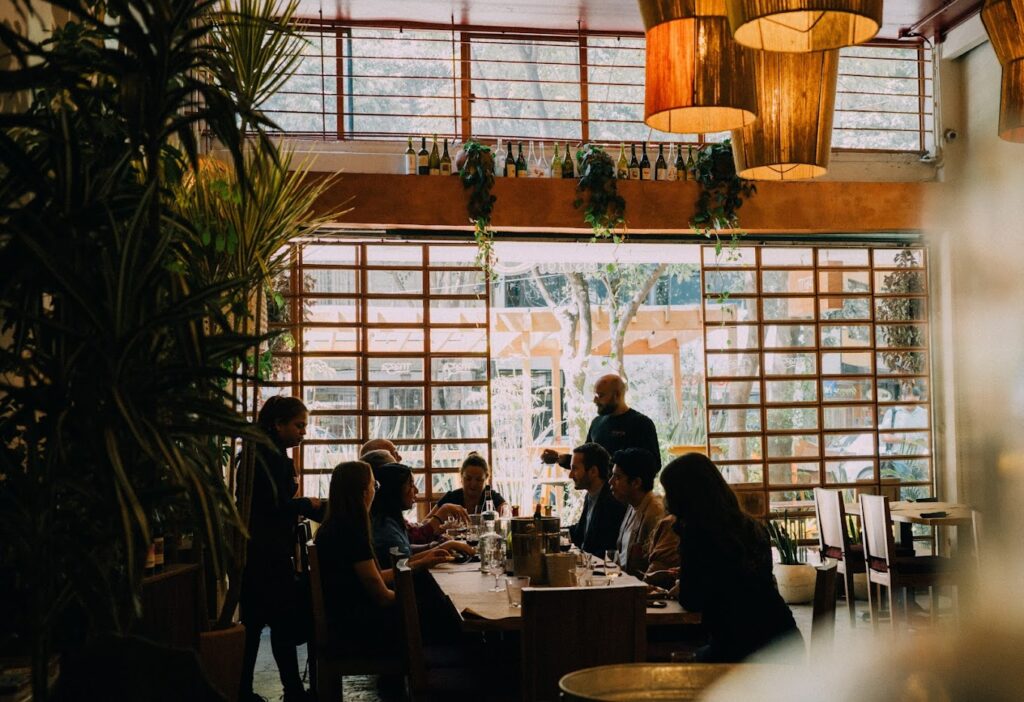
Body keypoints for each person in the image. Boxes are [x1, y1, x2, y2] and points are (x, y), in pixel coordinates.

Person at [660, 453, 801, 663]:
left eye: (668, 491)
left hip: (741, 651)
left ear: (683, 495)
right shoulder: (751, 526)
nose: (665, 498)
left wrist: (682, 586)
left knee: (669, 662)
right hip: (786, 640)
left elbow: (692, 600)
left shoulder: (697, 534)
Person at [239, 397, 325, 702]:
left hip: (254, 550)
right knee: (281, 623)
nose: (304, 432)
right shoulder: (272, 460)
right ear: (278, 424)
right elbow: (273, 507)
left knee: (256, 624)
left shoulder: (256, 454)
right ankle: (292, 690)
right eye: (299, 425)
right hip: (270, 553)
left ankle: (246, 690)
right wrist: (306, 504)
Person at [313, 461, 449, 654]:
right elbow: (382, 596)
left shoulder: (336, 526)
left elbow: (376, 577)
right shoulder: (351, 532)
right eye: (373, 486)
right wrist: (414, 602)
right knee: (443, 610)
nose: (375, 491)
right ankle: (427, 674)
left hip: (345, 615)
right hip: (356, 627)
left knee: (433, 601)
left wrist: (422, 561)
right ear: (363, 493)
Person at [541, 374, 661, 469]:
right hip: (597, 497)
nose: (594, 400)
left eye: (600, 395)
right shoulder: (597, 423)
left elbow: (654, 465)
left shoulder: (641, 423)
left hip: (625, 498)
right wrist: (558, 458)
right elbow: (585, 461)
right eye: (595, 395)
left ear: (617, 395)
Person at [370, 462, 474, 563]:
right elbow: (402, 565)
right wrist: (445, 546)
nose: (416, 490)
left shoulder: (391, 519)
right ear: (394, 490)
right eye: (411, 485)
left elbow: (405, 549)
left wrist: (431, 546)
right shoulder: (385, 527)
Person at [608, 448, 679, 578]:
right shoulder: (632, 505)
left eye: (617, 477)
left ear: (636, 483)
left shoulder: (656, 512)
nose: (610, 482)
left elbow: (656, 568)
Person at [566, 443, 627, 557]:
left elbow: (607, 548)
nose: (570, 475)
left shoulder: (612, 501)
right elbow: (581, 532)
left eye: (575, 469)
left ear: (593, 471)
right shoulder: (590, 496)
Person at [432, 452, 507, 514]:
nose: (473, 484)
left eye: (478, 480)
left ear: (486, 479)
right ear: (461, 477)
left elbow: (507, 512)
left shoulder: (491, 497)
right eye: (468, 479)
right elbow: (425, 523)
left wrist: (505, 509)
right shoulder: (451, 498)